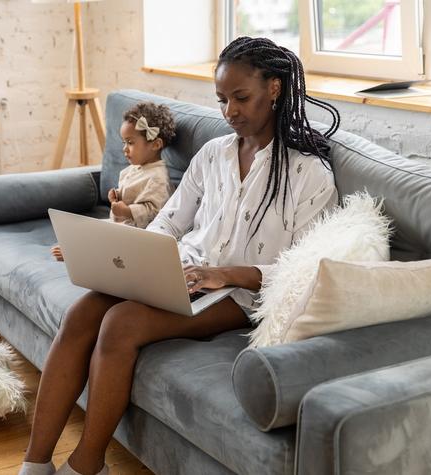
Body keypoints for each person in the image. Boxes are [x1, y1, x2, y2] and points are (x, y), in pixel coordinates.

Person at [21, 36, 341, 475]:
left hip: (238, 295)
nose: (229, 111)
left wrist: (224, 274)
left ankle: (85, 466)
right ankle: (34, 466)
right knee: (80, 314)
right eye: (222, 99)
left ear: (275, 88)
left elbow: (304, 270)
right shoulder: (214, 154)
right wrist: (129, 257)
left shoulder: (308, 173)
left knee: (120, 323)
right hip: (181, 273)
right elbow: (169, 223)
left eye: (241, 97)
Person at [51, 102, 175, 261]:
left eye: (130, 142)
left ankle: (78, 251)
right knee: (90, 228)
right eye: (124, 142)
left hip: (139, 233)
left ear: (156, 144)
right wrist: (117, 196)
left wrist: (127, 211)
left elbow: (154, 212)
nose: (125, 149)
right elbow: (131, 193)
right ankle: (76, 244)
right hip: (121, 225)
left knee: (104, 239)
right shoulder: (135, 168)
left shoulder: (158, 177)